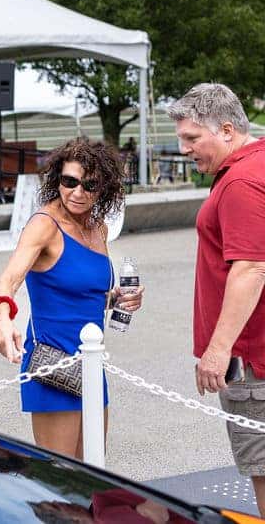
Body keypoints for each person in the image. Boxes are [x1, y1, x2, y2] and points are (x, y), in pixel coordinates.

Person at [0, 137, 143, 459]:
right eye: (69, 182)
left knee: (93, 470)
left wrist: (117, 300)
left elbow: (84, 293)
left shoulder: (98, 228)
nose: (77, 192)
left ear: (104, 188)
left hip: (90, 360)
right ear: (57, 179)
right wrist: (3, 319)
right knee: (60, 476)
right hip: (52, 362)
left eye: (89, 185)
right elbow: (8, 279)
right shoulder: (44, 225)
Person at [167, 83, 265, 515]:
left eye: (192, 138)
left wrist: (218, 350)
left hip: (255, 361)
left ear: (227, 130)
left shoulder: (241, 181)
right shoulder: (255, 164)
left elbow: (251, 268)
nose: (184, 149)